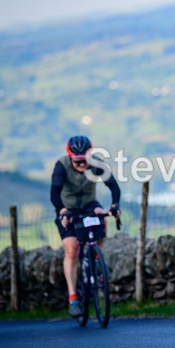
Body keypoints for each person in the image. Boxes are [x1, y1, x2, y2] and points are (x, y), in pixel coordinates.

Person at [50, 136, 120, 318]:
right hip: (67, 208)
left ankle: (97, 257)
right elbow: (54, 193)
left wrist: (114, 205)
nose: (82, 165)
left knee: (102, 217)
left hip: (89, 204)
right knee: (72, 249)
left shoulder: (96, 164)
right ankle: (73, 297)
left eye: (85, 161)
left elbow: (113, 186)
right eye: (78, 161)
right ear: (71, 157)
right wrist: (62, 210)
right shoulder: (62, 165)